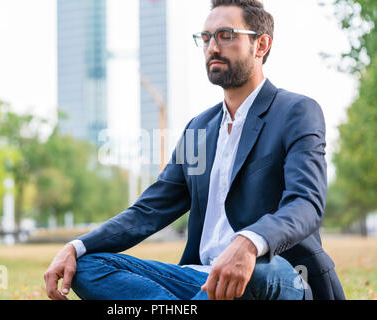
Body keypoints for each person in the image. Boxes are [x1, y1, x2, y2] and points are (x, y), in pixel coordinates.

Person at [44, 0, 345, 300]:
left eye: (226, 35)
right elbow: (149, 210)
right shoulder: (198, 129)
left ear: (261, 44)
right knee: (87, 266)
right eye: (205, 38)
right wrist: (75, 246)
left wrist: (251, 242)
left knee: (257, 270)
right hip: (200, 279)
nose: (212, 47)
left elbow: (306, 203)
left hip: (275, 275)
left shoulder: (296, 111)